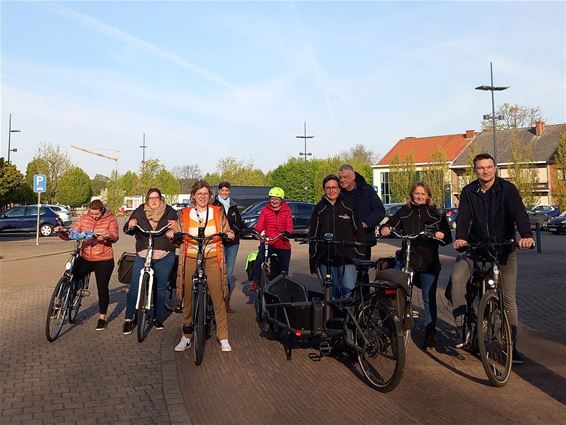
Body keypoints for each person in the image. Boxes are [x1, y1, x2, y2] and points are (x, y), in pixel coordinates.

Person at [451, 153, 535, 364]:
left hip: (503, 248)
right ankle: (461, 327)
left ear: (495, 168)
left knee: (508, 300)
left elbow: (519, 213)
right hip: (476, 247)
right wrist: (460, 238)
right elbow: (463, 217)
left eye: (489, 167)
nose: (485, 171)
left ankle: (511, 346)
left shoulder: (508, 189)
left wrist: (526, 236)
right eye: (481, 168)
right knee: (457, 279)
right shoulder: (469, 191)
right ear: (475, 170)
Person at [379, 181, 452, 349]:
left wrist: (441, 234)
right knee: (400, 293)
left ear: (428, 196)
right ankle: (396, 327)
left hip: (429, 262)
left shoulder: (435, 214)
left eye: (423, 194)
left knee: (428, 297)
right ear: (412, 194)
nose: (419, 196)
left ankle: (430, 332)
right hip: (408, 259)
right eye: (416, 193)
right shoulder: (404, 211)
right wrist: (385, 228)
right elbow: (390, 224)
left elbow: (447, 237)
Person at [174, 180, 235, 353]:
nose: (202, 197)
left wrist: (229, 233)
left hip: (212, 256)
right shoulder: (184, 213)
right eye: (199, 194)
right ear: (193, 196)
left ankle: (223, 337)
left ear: (210, 196)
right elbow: (177, 229)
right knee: (188, 297)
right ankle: (186, 336)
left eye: (205, 194)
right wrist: (173, 232)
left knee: (218, 296)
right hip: (191, 256)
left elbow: (227, 229)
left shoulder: (217, 211)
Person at [57, 199, 119, 331]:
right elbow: (73, 231)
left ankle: (102, 318)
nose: (94, 216)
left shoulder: (110, 219)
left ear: (102, 211)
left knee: (102, 289)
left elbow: (115, 235)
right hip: (85, 257)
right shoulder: (84, 218)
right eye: (92, 213)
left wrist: (108, 236)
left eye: (96, 214)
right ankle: (65, 301)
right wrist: (62, 232)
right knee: (72, 277)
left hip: (103, 259)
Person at [122, 188, 178, 334]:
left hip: (164, 254)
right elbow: (129, 229)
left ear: (161, 198)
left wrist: (175, 226)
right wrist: (131, 223)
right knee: (135, 285)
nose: (154, 200)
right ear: (147, 199)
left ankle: (158, 317)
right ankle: (129, 318)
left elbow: (178, 228)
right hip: (143, 253)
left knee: (160, 288)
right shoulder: (140, 211)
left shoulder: (170, 211)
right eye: (151, 198)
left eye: (156, 197)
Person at [308, 175, 364, 299]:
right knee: (331, 296)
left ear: (339, 189)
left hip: (348, 259)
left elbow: (359, 233)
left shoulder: (349, 207)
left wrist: (360, 257)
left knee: (347, 294)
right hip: (325, 260)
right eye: (328, 188)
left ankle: (347, 318)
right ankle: (332, 319)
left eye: (334, 187)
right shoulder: (319, 209)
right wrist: (313, 262)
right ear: (324, 189)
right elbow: (313, 236)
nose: (331, 190)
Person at [249, 187, 293, 291]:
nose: (274, 201)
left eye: (277, 199)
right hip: (268, 242)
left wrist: (287, 232)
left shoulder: (287, 211)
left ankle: (283, 286)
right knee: (259, 259)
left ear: (281, 200)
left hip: (282, 242)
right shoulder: (265, 210)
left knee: (283, 268)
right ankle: (256, 281)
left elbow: (290, 226)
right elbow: (260, 225)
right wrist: (255, 230)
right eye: (272, 199)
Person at [338, 164, 385, 259]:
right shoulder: (337, 193)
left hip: (363, 240)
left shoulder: (366, 191)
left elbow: (380, 210)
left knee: (362, 272)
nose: (342, 180)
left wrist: (366, 223)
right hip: (342, 241)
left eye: (346, 177)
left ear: (354, 176)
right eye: (340, 177)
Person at [212, 181, 244, 313]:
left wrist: (233, 231)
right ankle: (215, 302)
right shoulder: (213, 205)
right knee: (217, 272)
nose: (224, 193)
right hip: (218, 242)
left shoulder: (233, 205)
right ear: (218, 191)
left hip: (232, 243)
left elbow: (239, 223)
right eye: (222, 190)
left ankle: (226, 302)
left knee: (229, 274)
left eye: (227, 190)